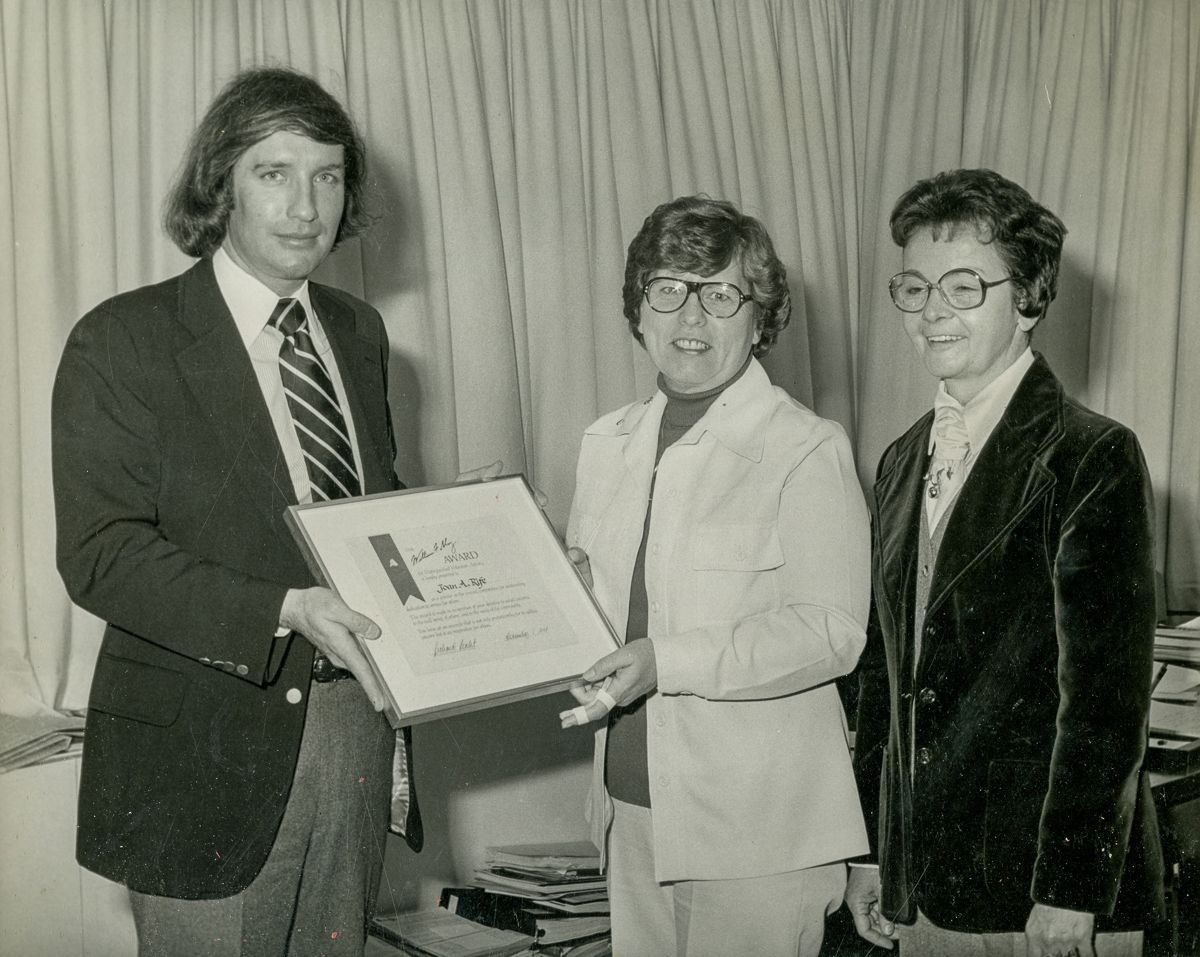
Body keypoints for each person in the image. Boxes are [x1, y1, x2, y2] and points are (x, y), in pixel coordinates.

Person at [52, 67, 426, 955]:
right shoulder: (123, 339)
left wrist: (460, 527)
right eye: (274, 173)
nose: (306, 206)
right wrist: (283, 608)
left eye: (328, 176)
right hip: (201, 753)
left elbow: (357, 521)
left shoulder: (359, 331)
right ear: (220, 185)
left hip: (355, 728)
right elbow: (101, 552)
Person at [846, 168, 1164, 957]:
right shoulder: (899, 460)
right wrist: (871, 852)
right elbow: (883, 681)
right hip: (924, 883)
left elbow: (1105, 701)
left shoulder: (1093, 455)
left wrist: (1070, 887)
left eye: (963, 286)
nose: (932, 311)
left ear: (1027, 298)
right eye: (914, 288)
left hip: (1042, 895)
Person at [560, 195, 871, 956]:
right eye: (667, 289)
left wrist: (667, 660)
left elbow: (831, 632)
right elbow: (603, 612)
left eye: (721, 294)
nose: (690, 316)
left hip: (759, 830)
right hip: (630, 809)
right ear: (639, 310)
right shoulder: (606, 442)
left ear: (760, 320)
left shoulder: (806, 446)